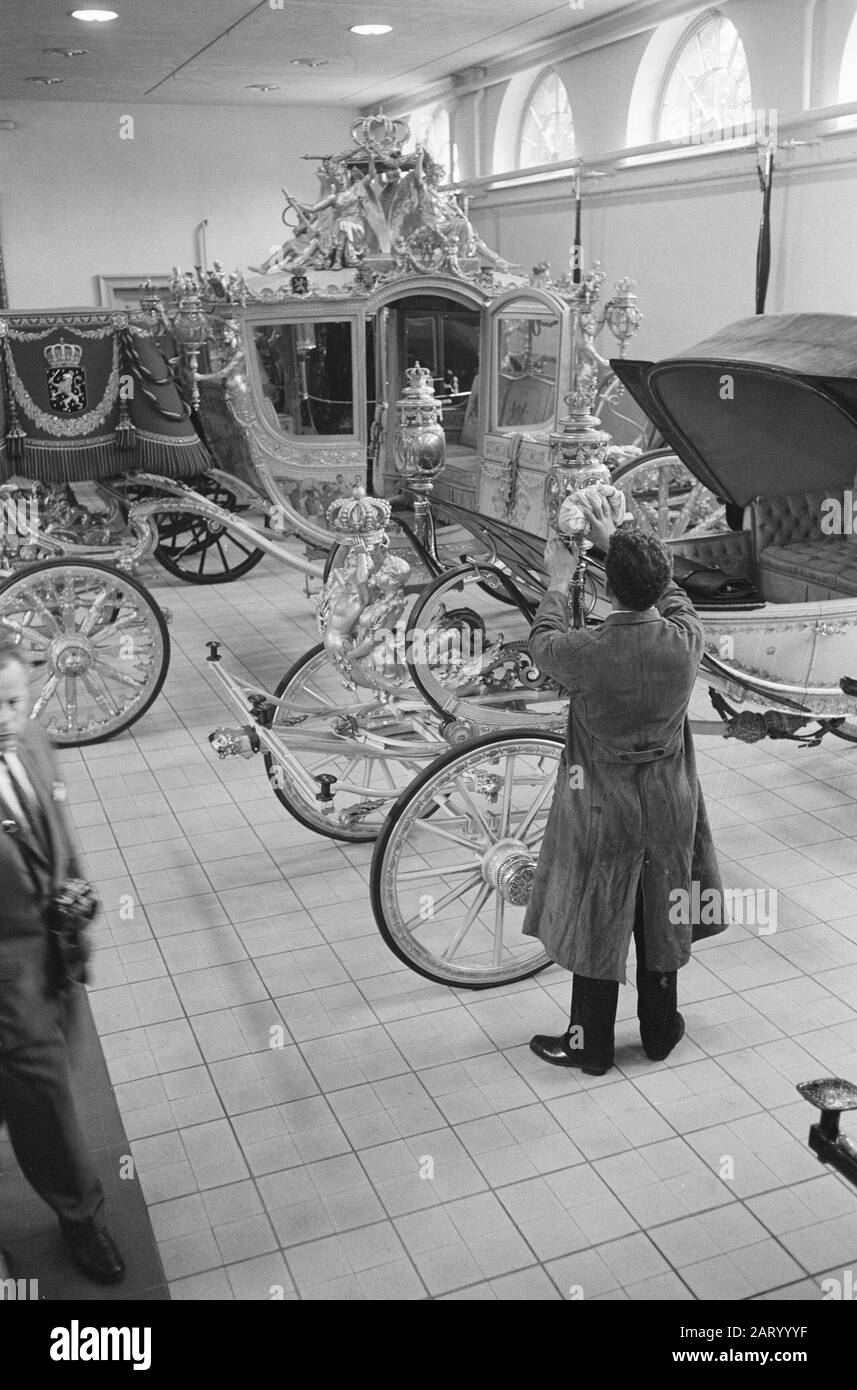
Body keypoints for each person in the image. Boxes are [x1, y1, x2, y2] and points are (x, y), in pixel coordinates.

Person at [524, 494, 726, 1076]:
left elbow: (541, 642)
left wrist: (560, 580)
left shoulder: (583, 652)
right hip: (670, 802)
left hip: (601, 806)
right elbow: (675, 597)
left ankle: (589, 1045)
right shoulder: (686, 640)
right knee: (664, 904)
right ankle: (661, 1031)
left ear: (607, 588)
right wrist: (623, 540)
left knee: (598, 913)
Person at [0, 640, 124, 1284]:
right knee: (43, 1098)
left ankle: (77, 1211)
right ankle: (78, 1214)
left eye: (14, 701)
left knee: (48, 1095)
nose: (3, 718)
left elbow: (58, 831)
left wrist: (77, 892)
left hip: (51, 962)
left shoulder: (34, 743)